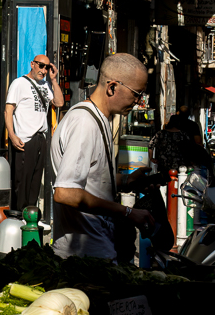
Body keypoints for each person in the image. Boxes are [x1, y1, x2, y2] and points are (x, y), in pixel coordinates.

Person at [51, 53, 155, 260]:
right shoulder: (84, 123)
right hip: (84, 256)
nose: (138, 101)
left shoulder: (99, 119)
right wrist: (127, 212)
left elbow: (91, 179)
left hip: (98, 248)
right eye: (136, 94)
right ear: (112, 87)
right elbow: (65, 192)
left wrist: (127, 180)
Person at [5, 54, 64, 209]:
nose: (43, 70)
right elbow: (8, 110)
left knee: (35, 181)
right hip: (25, 138)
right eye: (41, 65)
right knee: (22, 181)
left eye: (47, 67)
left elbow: (59, 103)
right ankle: (19, 214)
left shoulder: (46, 85)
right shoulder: (19, 83)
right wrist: (12, 135)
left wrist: (53, 80)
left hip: (41, 137)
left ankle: (30, 214)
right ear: (32, 64)